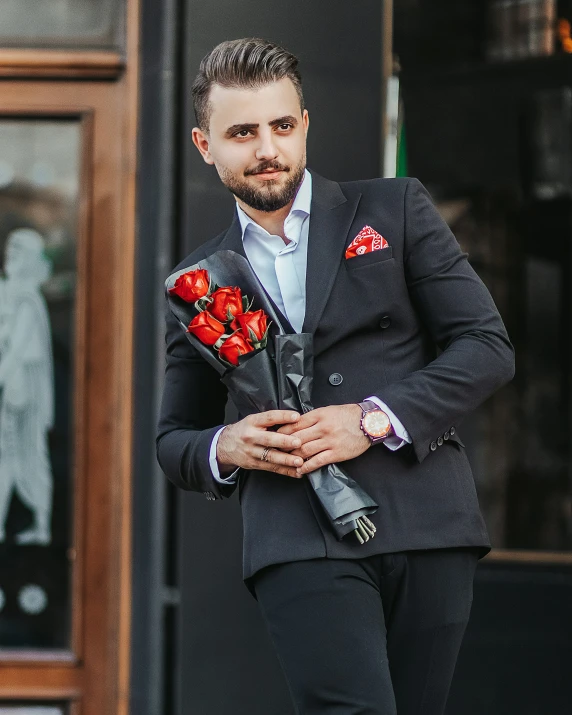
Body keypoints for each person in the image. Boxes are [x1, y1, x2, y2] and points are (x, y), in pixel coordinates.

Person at [156, 38, 515, 715]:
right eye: (243, 132)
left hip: (426, 514)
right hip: (295, 530)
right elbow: (174, 438)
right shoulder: (198, 280)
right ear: (206, 145)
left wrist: (370, 417)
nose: (267, 148)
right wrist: (225, 447)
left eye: (282, 126)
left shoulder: (395, 209)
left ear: (305, 126)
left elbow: (486, 347)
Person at [0, 228, 54, 545]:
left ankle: (41, 524)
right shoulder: (10, 294)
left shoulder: (27, 301)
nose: (10, 257)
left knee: (31, 454)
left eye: (18, 253)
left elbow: (18, 351)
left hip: (25, 389)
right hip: (11, 387)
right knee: (6, 455)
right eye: (9, 251)